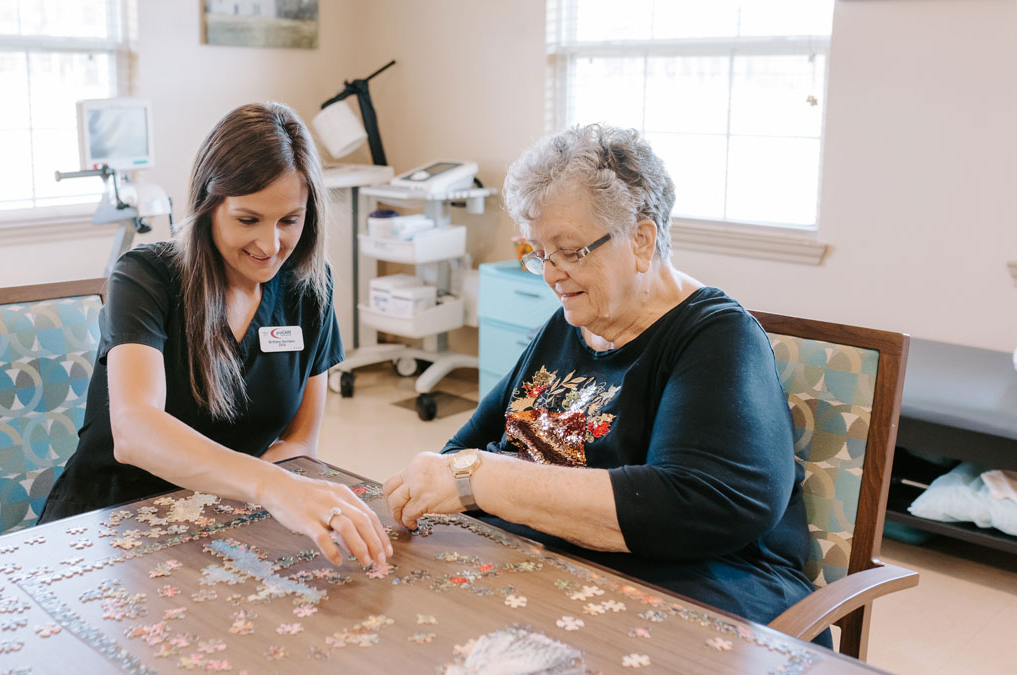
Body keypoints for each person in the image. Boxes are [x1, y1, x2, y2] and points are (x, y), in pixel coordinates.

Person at [383, 123, 821, 638]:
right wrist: (459, 479)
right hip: (546, 572)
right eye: (539, 254)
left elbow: (693, 507)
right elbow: (465, 449)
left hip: (695, 594)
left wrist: (482, 480)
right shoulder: (572, 322)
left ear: (641, 240)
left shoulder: (716, 338)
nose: (551, 274)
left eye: (570, 251)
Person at [40, 102, 392, 568]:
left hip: (227, 524)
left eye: (290, 220)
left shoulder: (310, 288)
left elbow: (300, 443)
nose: (270, 245)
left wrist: (273, 497)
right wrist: (272, 487)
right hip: (108, 529)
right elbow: (134, 430)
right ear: (208, 206)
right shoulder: (145, 276)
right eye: (248, 220)